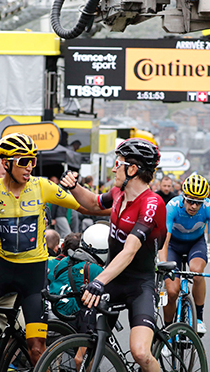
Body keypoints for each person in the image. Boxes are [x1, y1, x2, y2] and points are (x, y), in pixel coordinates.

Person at [0, 133, 104, 365]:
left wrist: (122, 209)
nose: (29, 167)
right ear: (6, 163)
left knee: (37, 350)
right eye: (22, 161)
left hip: (33, 279)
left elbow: (88, 208)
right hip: (2, 273)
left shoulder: (42, 187)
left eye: (32, 160)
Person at [60, 138, 166, 372]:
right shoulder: (119, 193)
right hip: (113, 280)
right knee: (82, 357)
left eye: (118, 163)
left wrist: (98, 281)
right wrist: (74, 186)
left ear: (132, 169)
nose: (114, 168)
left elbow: (129, 252)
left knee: (140, 353)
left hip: (140, 284)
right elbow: (94, 204)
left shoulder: (151, 204)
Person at [160, 174, 210, 335]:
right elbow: (164, 240)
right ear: (183, 196)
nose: (194, 206)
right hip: (173, 246)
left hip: (195, 244)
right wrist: (163, 264)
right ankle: (167, 330)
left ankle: (199, 318)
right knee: (172, 291)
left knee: (197, 272)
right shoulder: (172, 206)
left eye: (198, 202)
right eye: (190, 201)